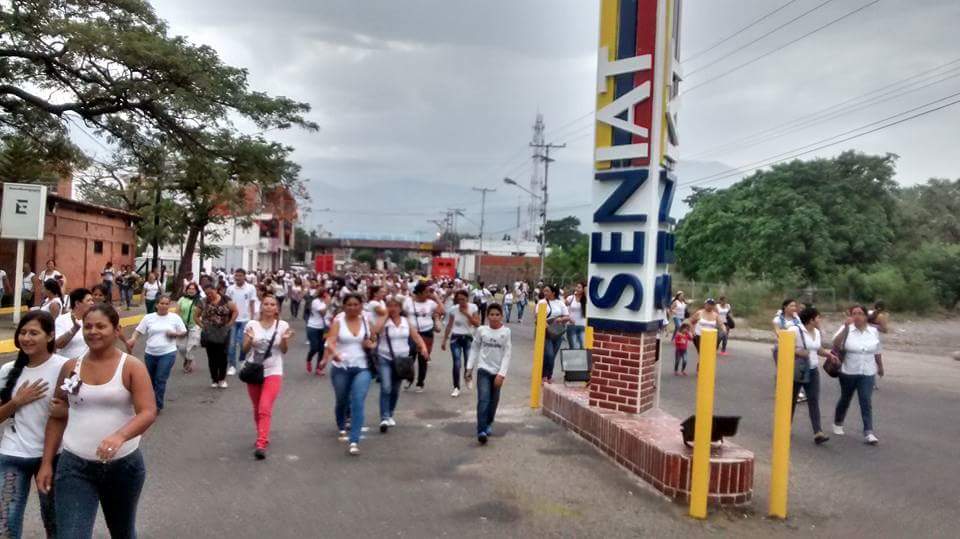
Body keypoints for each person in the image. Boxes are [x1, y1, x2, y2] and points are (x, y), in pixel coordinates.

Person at [38, 303, 157, 539]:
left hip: (123, 466)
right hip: (74, 466)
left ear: (116, 330)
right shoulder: (71, 367)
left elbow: (147, 411)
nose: (93, 331)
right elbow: (57, 416)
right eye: (88, 326)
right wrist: (46, 462)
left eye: (101, 326)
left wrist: (119, 435)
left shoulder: (132, 366)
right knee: (71, 534)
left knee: (122, 531)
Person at [0, 311, 68, 538]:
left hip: (53, 456)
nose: (26, 338)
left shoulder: (65, 367)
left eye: (34, 333)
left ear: (50, 336)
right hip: (13, 455)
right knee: (6, 523)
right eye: (23, 332)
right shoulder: (8, 370)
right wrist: (16, 402)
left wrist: (65, 410)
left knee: (54, 521)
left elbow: (80, 410)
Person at [324, 294, 377, 455]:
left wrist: (371, 344)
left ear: (361, 306)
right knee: (342, 400)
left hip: (362, 367)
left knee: (358, 400)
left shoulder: (367, 322)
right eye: (349, 304)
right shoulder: (338, 322)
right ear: (344, 306)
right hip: (341, 367)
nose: (352, 307)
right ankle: (341, 424)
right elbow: (330, 341)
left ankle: (354, 440)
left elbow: (374, 341)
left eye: (356, 304)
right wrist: (335, 353)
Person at [242, 294, 293, 460]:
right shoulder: (252, 324)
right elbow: (244, 350)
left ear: (277, 308)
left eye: (272, 304)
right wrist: (249, 339)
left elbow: (284, 351)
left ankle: (261, 443)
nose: (269, 307)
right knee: (257, 408)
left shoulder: (283, 325)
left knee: (265, 407)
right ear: (261, 307)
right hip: (254, 370)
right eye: (266, 304)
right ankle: (261, 434)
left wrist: (285, 340)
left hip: (273, 370)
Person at [375, 296, 429, 432]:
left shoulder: (405, 321)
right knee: (386, 387)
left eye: (395, 306)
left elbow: (416, 336)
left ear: (400, 308)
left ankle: (390, 412)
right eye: (390, 306)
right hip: (385, 357)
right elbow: (374, 331)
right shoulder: (384, 321)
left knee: (395, 389)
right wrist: (385, 315)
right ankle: (384, 417)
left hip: (402, 361)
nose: (393, 308)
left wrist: (423, 348)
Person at [832, 305, 884, 445]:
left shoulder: (873, 331)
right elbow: (836, 345)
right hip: (849, 371)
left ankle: (868, 431)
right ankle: (838, 421)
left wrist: (880, 366)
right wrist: (845, 328)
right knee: (846, 398)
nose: (857, 316)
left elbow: (877, 350)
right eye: (854, 313)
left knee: (865, 400)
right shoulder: (846, 329)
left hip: (867, 371)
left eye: (860, 313)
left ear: (866, 316)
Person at [125, 295, 187, 411]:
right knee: (150, 380)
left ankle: (157, 406)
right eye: (162, 303)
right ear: (156, 305)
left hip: (168, 353)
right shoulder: (149, 318)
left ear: (169, 305)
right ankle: (149, 402)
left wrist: (175, 334)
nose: (164, 306)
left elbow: (184, 332)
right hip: (150, 353)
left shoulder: (174, 318)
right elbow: (138, 330)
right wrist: (133, 339)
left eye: (166, 304)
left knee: (160, 379)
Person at [464, 303, 511, 445]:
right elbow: (474, 349)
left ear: (501, 316)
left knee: (493, 401)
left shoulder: (506, 332)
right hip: (483, 370)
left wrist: (501, 374)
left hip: (497, 372)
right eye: (492, 314)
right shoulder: (481, 331)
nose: (494, 317)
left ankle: (489, 422)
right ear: (488, 316)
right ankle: (481, 430)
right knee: (483, 399)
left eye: (497, 314)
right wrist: (469, 368)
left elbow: (507, 354)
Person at [789, 306, 835, 445]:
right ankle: (785, 427)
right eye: (818, 317)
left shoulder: (816, 332)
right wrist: (798, 352)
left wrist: (828, 354)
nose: (820, 320)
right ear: (811, 319)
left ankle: (818, 432)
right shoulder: (795, 330)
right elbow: (783, 345)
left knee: (813, 399)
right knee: (791, 400)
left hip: (813, 369)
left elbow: (817, 348)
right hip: (798, 369)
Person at [441, 290, 480, 398]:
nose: (461, 302)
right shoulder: (453, 310)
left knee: (468, 362)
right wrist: (444, 340)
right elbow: (449, 325)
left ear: (467, 299)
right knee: (457, 362)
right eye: (459, 299)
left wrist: (467, 314)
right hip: (455, 338)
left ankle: (468, 377)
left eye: (463, 299)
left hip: (468, 338)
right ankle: (456, 387)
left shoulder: (473, 308)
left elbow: (477, 324)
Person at [199, 283, 238, 388]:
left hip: (223, 331)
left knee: (223, 355)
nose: (209, 295)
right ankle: (214, 379)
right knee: (211, 356)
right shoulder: (203, 301)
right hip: (210, 332)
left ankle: (222, 379)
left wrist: (230, 324)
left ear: (216, 290)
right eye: (207, 294)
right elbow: (196, 316)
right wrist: (203, 326)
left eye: (211, 293)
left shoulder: (225, 300)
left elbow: (235, 311)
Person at [408, 282, 443, 392]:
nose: (428, 294)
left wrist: (436, 298)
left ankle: (420, 382)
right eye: (426, 292)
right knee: (410, 357)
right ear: (419, 292)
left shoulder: (430, 303)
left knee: (423, 357)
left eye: (429, 292)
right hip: (412, 333)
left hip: (427, 333)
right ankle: (410, 378)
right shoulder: (409, 303)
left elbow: (442, 310)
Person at [226, 269, 258, 376]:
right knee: (231, 344)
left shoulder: (250, 288)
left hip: (245, 319)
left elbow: (252, 304)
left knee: (242, 343)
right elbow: (227, 305)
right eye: (236, 276)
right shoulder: (230, 289)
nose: (238, 278)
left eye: (240, 275)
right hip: (233, 320)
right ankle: (232, 365)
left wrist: (253, 319)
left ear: (244, 276)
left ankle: (242, 361)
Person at [773, 298, 804, 401]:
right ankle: (781, 391)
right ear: (785, 307)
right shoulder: (778, 319)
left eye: (794, 306)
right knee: (782, 370)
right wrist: (787, 335)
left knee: (795, 371)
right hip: (782, 348)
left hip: (795, 348)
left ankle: (796, 392)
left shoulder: (797, 319)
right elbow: (778, 332)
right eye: (791, 306)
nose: (793, 308)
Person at [538, 285, 570, 384]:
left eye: (547, 291)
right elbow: (537, 316)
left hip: (557, 332)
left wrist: (560, 319)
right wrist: (546, 324)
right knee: (549, 354)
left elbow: (567, 316)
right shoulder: (541, 302)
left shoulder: (560, 303)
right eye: (544, 291)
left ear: (553, 293)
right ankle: (544, 375)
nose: (545, 293)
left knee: (553, 355)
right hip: (546, 331)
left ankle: (548, 375)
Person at [55, 288, 95, 361]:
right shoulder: (62, 320)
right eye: (88, 300)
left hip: (88, 365)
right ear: (77, 303)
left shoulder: (93, 320)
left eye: (92, 300)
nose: (92, 303)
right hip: (67, 365)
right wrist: (74, 329)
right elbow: (58, 345)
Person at [176, 283, 204, 373]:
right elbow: (177, 312)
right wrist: (178, 324)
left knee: (191, 346)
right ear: (187, 290)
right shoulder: (182, 299)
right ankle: (188, 358)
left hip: (195, 325)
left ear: (196, 290)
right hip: (182, 325)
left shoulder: (200, 301)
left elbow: (203, 313)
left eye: (193, 289)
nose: (191, 290)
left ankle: (188, 363)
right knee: (181, 347)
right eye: (189, 288)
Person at [306, 288, 331, 375]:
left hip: (323, 328)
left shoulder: (325, 303)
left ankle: (318, 368)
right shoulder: (316, 302)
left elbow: (328, 315)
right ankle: (309, 359)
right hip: (313, 327)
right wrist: (327, 304)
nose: (328, 296)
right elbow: (322, 313)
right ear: (323, 294)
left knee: (321, 349)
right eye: (327, 294)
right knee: (314, 347)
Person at [565, 282, 587, 349]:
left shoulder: (586, 300)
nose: (577, 289)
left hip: (583, 326)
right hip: (571, 325)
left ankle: (580, 360)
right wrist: (568, 318)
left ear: (584, 290)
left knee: (583, 347)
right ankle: (572, 359)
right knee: (574, 347)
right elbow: (563, 310)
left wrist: (586, 294)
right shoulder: (570, 298)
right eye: (576, 287)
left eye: (579, 287)